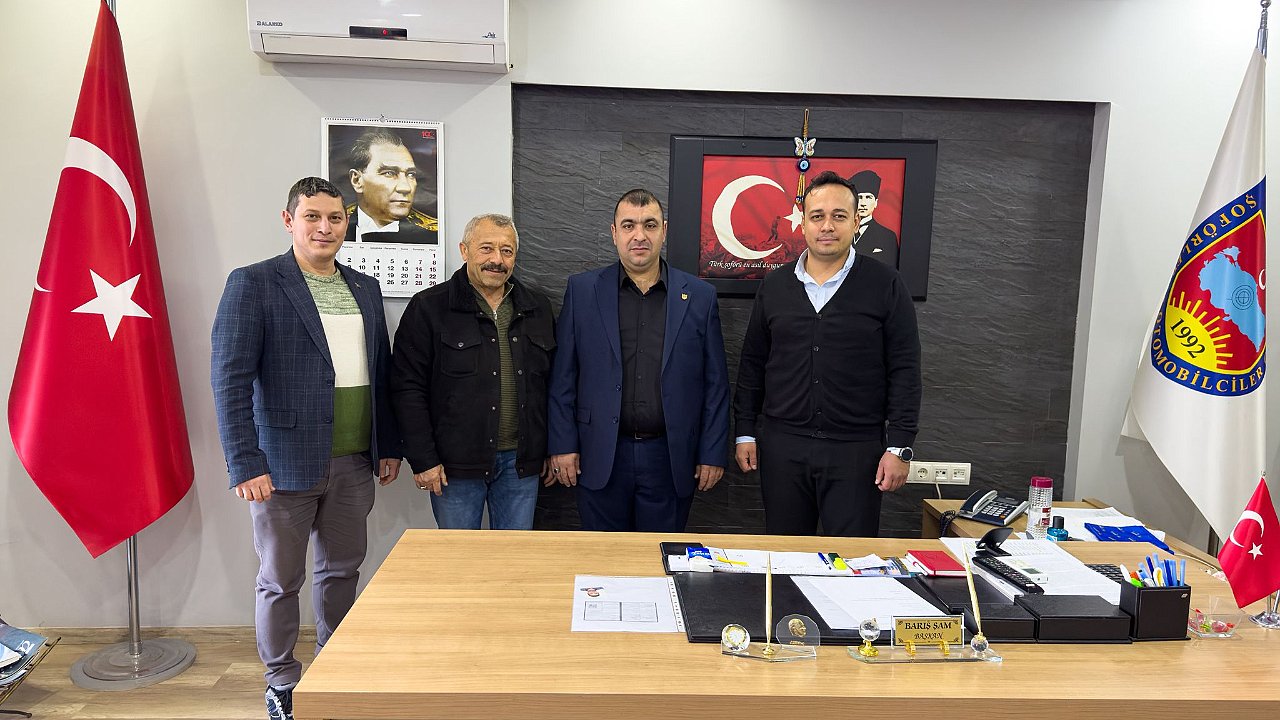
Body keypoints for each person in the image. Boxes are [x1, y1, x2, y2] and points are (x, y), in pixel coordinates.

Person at [212, 177, 402, 720]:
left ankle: (334, 666)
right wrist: (245, 462)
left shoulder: (364, 288)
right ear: (288, 220)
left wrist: (387, 445)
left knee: (342, 571)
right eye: (312, 217)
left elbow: (381, 373)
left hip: (353, 462)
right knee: (280, 581)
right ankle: (281, 680)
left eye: (335, 218)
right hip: (280, 466)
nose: (325, 227)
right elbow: (229, 380)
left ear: (347, 223)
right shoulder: (253, 283)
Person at [733, 171, 920, 537]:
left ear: (856, 221)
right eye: (817, 216)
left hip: (856, 451)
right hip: (783, 447)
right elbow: (753, 364)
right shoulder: (775, 285)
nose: (827, 226)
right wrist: (744, 432)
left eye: (839, 216)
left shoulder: (886, 283)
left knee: (852, 560)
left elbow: (905, 369)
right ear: (803, 223)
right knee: (785, 556)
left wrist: (900, 446)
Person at [548, 188, 730, 532]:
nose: (639, 236)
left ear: (664, 230)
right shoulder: (583, 291)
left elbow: (715, 384)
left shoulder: (699, 296)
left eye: (649, 225)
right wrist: (562, 445)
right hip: (599, 453)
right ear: (614, 232)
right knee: (603, 557)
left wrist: (712, 452)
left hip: (670, 457)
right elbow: (563, 377)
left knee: (660, 556)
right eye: (629, 225)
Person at [390, 214, 555, 529]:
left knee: (513, 555)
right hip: (454, 467)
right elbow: (407, 389)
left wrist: (549, 449)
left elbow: (552, 385)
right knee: (459, 556)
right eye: (486, 248)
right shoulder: (429, 307)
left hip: (520, 465)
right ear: (464, 250)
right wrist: (423, 459)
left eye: (507, 251)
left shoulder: (537, 308)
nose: (497, 260)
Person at [344, 128, 438, 244]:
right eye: (389, 173)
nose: (405, 188)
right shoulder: (331, 230)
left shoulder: (433, 237)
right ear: (357, 180)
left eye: (411, 174)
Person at [847, 169, 899, 267]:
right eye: (860, 197)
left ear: (876, 202)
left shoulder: (887, 236)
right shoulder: (841, 232)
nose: (863, 203)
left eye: (868, 197)